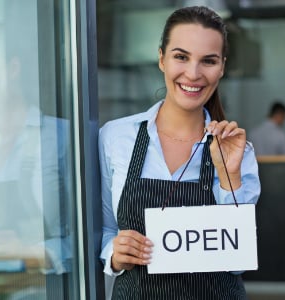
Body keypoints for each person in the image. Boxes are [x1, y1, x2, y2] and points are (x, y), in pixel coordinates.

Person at [98, 6, 261, 300]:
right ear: (161, 58)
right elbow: (105, 230)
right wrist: (114, 254)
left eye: (208, 61)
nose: (193, 73)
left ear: (222, 67)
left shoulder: (238, 151)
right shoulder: (116, 137)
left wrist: (229, 175)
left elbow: (236, 261)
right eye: (181, 57)